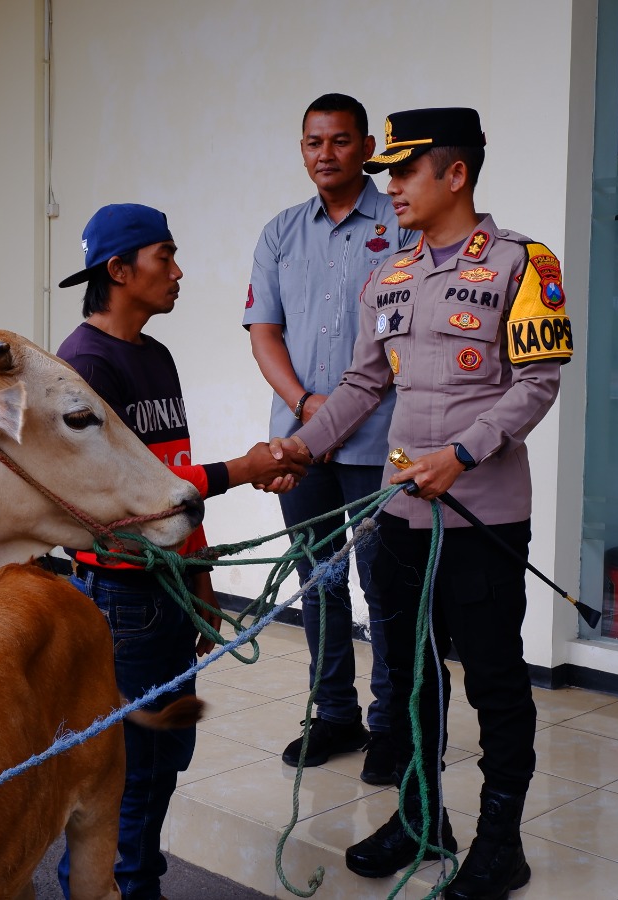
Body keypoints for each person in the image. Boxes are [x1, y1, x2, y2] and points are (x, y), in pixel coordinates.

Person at [271, 107, 572, 899]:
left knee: (495, 682)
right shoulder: (392, 273)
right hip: (400, 513)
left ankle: (500, 843)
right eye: (391, 173)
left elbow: (537, 385)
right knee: (407, 673)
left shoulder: (523, 263)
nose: (390, 184)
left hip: (484, 517)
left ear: (456, 174)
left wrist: (463, 453)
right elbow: (366, 383)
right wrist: (301, 447)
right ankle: (419, 815)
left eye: (405, 170)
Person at [54, 203, 303, 900]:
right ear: (119, 269)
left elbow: (174, 484)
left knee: (162, 762)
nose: (178, 271)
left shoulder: (154, 356)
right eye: (165, 256)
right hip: (120, 602)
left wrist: (201, 580)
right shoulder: (85, 368)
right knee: (121, 778)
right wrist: (245, 470)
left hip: (167, 594)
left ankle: (141, 886)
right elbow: (124, 503)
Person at [244, 93, 415, 784]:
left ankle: (393, 726)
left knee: (385, 582)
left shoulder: (401, 225)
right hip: (300, 442)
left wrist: (336, 411)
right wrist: (306, 405)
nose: (325, 154)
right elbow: (264, 333)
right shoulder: (280, 233)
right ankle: (334, 713)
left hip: (380, 437)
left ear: (366, 147)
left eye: (340, 141)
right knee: (319, 580)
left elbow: (411, 336)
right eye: (313, 142)